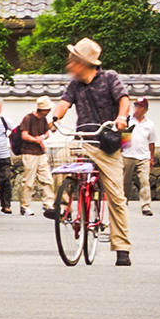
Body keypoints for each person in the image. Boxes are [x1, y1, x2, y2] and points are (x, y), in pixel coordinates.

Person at [60, 40, 136, 265]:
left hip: (108, 143)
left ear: (83, 63)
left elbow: (124, 99)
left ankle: (122, 248)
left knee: (115, 194)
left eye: (73, 60)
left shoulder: (109, 77)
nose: (69, 63)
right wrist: (52, 119)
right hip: (83, 140)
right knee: (59, 162)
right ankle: (63, 204)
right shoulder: (74, 85)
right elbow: (63, 104)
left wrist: (121, 117)